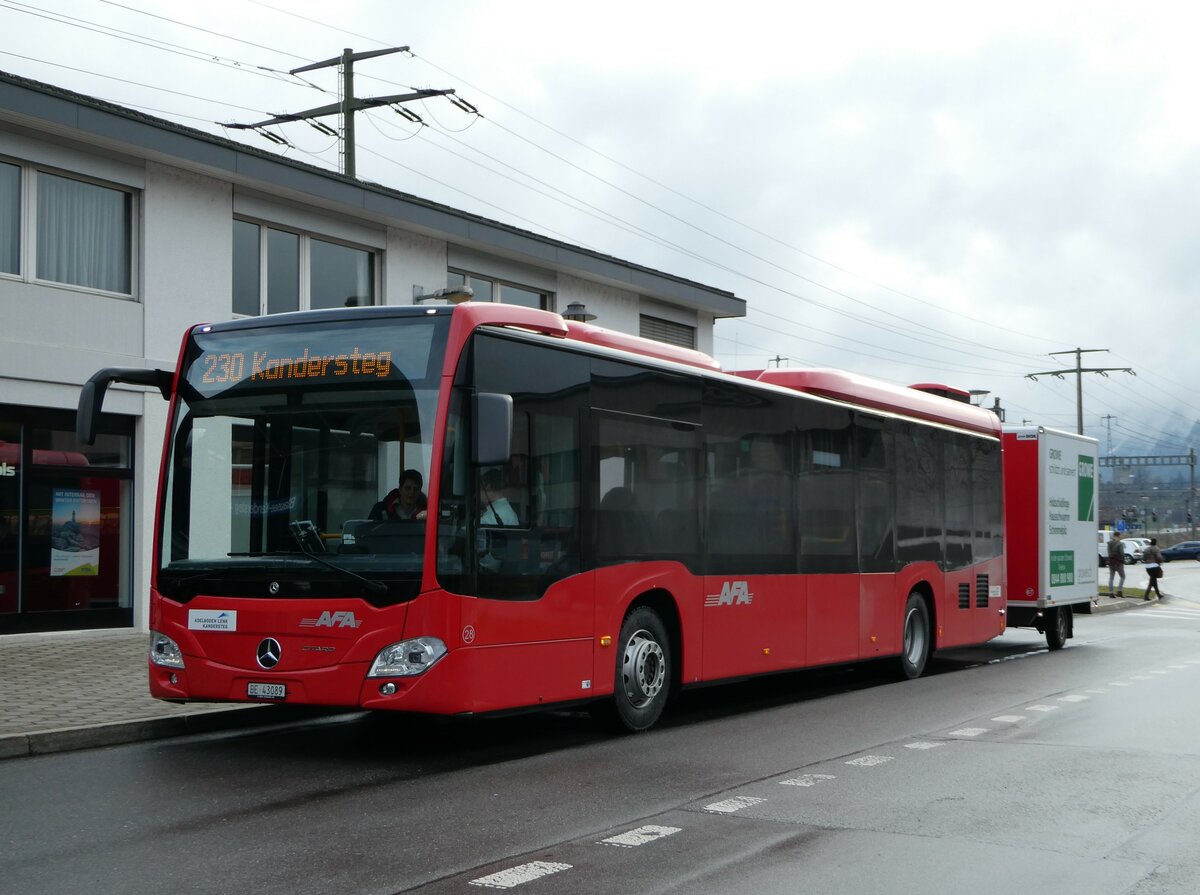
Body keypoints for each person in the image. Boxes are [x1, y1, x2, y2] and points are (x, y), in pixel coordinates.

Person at [1106, 531, 1126, 598]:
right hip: (1118, 563)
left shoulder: (1109, 543)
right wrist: (1123, 560)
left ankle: (1111, 592)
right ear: (1118, 536)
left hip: (1111, 562)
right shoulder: (1120, 544)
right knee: (1123, 577)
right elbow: (1122, 554)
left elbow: (1108, 553)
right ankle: (1119, 591)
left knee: (1111, 578)